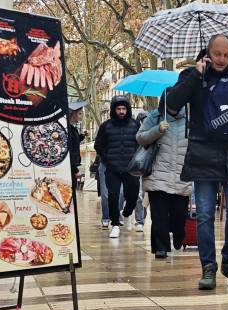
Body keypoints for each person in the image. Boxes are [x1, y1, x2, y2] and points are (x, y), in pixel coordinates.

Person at [166, 34, 228, 290]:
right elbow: (171, 106)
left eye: (226, 54)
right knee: (205, 214)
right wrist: (194, 76)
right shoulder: (192, 76)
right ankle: (208, 267)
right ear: (208, 53)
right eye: (217, 54)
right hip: (203, 154)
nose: (222, 59)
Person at [136, 89, 191, 259]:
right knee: (159, 215)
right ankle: (161, 247)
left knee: (179, 216)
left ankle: (179, 235)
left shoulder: (190, 118)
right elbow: (140, 138)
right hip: (157, 174)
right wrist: (157, 130)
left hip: (181, 174)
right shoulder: (155, 116)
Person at [94, 95, 140, 238]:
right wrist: (107, 160)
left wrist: (136, 159)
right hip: (112, 169)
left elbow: (141, 143)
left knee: (133, 196)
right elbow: (98, 145)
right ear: (114, 110)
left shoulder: (135, 125)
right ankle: (115, 224)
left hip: (130, 168)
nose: (121, 111)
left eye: (123, 109)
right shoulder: (105, 126)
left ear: (127, 110)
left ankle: (126, 213)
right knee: (113, 196)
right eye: (118, 109)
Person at [67, 101, 86, 189]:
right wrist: (75, 170)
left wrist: (82, 136)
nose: (81, 116)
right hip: (71, 168)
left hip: (73, 166)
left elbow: (75, 142)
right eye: (79, 113)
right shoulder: (68, 129)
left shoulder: (73, 128)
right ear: (73, 114)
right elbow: (69, 152)